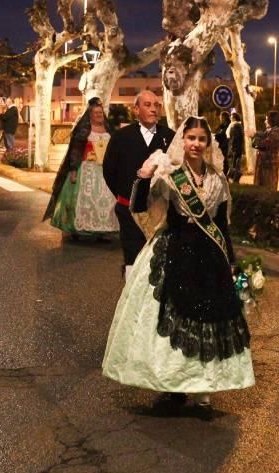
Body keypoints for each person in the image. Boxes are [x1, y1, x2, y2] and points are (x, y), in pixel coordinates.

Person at [102, 116, 255, 420]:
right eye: (191, 138)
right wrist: (144, 176)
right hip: (175, 252)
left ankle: (204, 393)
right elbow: (140, 205)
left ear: (208, 144)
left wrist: (231, 261)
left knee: (209, 322)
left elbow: (221, 223)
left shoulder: (217, 179)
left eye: (201, 139)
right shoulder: (171, 176)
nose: (196, 144)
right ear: (181, 141)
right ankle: (174, 388)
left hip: (209, 257)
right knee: (174, 319)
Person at [102, 90, 174, 280]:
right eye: (147, 105)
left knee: (158, 262)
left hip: (161, 216)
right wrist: (126, 195)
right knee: (133, 261)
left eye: (156, 105)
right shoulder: (121, 137)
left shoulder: (170, 137)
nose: (153, 109)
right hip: (129, 211)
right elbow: (110, 171)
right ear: (136, 110)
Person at [44, 98, 118, 238]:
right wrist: (73, 170)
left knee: (106, 201)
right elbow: (76, 151)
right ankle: (77, 229)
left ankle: (102, 231)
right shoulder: (84, 130)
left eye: (100, 113)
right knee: (83, 200)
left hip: (105, 171)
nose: (99, 115)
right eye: (96, 113)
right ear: (90, 115)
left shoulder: (109, 129)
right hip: (87, 170)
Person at [248, 110, 279, 191]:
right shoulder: (270, 131)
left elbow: (264, 144)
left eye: (266, 119)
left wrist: (253, 137)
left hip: (268, 164)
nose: (265, 121)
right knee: (260, 188)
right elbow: (261, 136)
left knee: (267, 189)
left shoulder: (277, 132)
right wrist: (254, 134)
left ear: (272, 120)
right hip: (264, 164)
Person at [226, 111, 245, 183]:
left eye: (231, 117)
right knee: (235, 166)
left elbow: (234, 139)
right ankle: (234, 179)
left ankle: (235, 180)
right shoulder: (236, 126)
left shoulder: (235, 126)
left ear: (234, 118)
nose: (230, 118)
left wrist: (232, 149)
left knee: (234, 166)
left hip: (235, 150)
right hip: (236, 149)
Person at [214, 110, 230, 176]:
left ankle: (225, 175)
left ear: (224, 118)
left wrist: (214, 136)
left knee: (225, 161)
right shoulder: (223, 126)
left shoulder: (227, 126)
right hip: (223, 145)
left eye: (221, 118)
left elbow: (222, 135)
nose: (220, 119)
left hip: (225, 146)